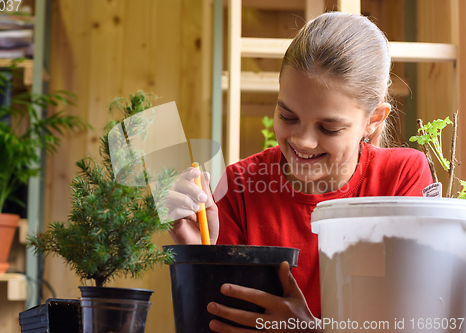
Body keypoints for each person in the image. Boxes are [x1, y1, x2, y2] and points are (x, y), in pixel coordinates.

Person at [167, 12, 433, 332]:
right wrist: (200, 258)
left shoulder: (402, 176)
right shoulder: (241, 184)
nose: (303, 141)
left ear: (373, 119)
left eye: (329, 128)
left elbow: (417, 319)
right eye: (288, 116)